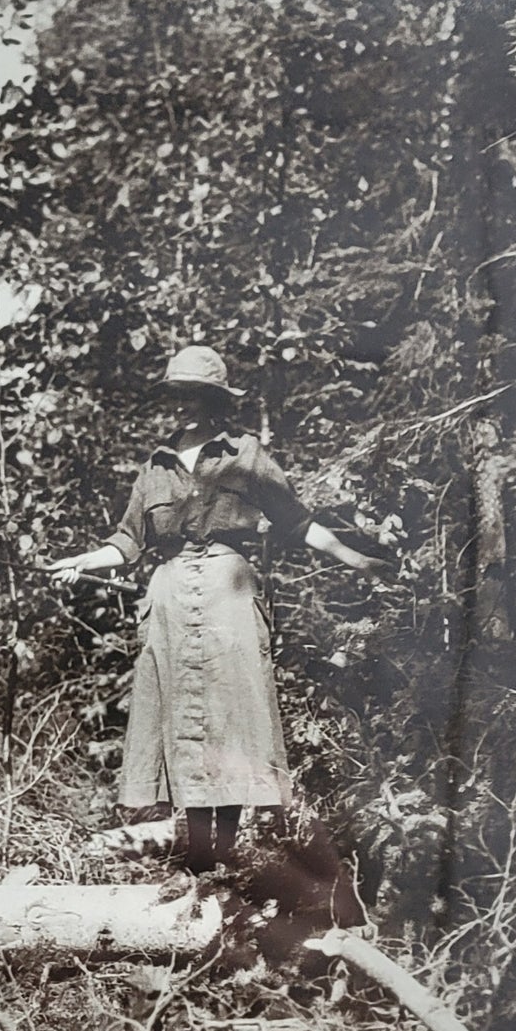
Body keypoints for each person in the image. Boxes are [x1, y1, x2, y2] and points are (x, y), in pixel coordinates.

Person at [50, 344, 382, 873]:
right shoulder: (156, 465)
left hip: (230, 592)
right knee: (176, 718)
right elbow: (127, 541)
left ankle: (221, 865)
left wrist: (356, 558)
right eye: (177, 393)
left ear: (217, 400)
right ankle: (194, 864)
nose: (185, 404)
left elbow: (296, 521)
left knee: (229, 718)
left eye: (197, 394)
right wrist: (81, 560)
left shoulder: (246, 454)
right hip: (169, 600)